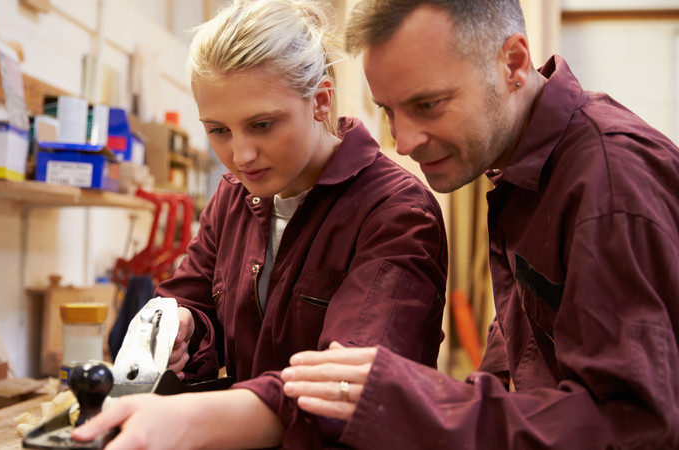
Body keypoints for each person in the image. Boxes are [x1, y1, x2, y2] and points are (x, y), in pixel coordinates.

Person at [280, 0, 679, 448]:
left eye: (428, 104)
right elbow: (528, 337)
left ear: (514, 63)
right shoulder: (523, 168)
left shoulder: (609, 186)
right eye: (389, 110)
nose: (403, 141)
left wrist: (430, 405)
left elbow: (636, 426)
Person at [73, 0, 448, 447]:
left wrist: (189, 422)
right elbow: (189, 297)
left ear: (320, 100)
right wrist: (183, 328)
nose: (241, 155)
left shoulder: (397, 211)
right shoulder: (233, 196)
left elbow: (343, 393)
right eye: (218, 130)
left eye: (263, 124)